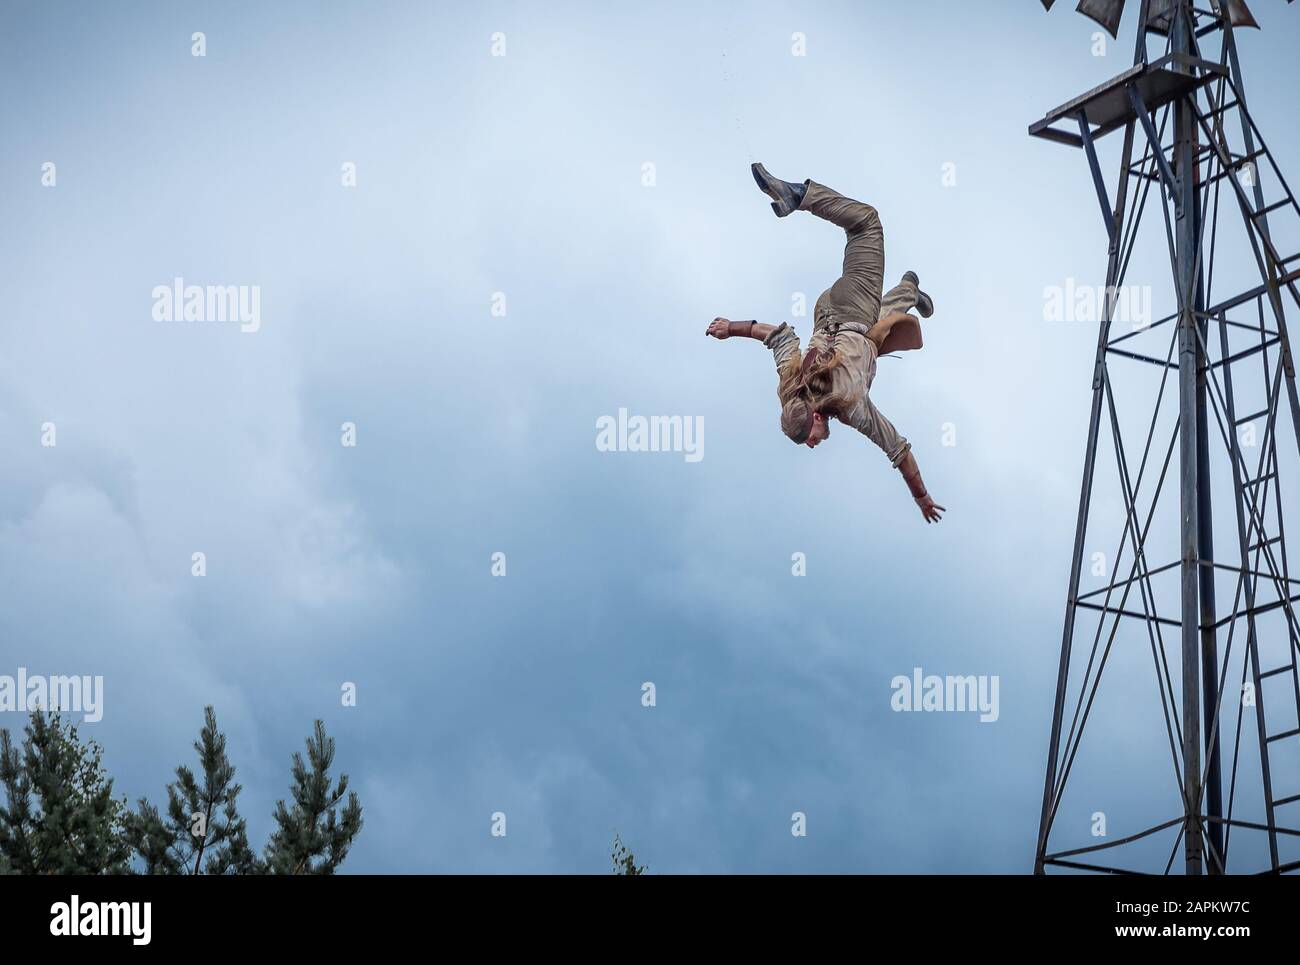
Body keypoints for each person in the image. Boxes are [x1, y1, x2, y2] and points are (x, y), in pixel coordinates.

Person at [706, 163, 946, 523]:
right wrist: (731, 327)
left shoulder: (852, 408)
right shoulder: (791, 387)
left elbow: (897, 450)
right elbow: (777, 337)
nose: (814, 444)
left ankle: (799, 196)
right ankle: (911, 290)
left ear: (816, 417)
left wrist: (922, 498)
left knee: (866, 223)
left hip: (853, 309)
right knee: (884, 321)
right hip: (833, 312)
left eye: (811, 438)